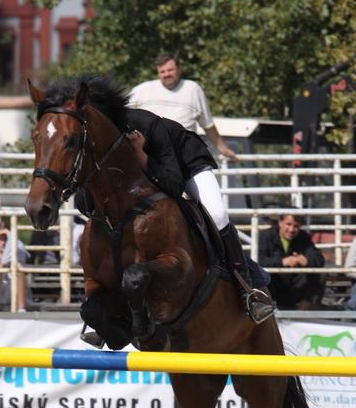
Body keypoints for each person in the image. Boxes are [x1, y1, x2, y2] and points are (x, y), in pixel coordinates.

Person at [49, 74, 275, 323]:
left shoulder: (148, 125)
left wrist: (142, 156)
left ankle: (247, 287)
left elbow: (174, 185)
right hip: (154, 174)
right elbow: (85, 205)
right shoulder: (96, 143)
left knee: (217, 214)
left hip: (185, 164)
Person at [129, 52, 237, 160]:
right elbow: (125, 115)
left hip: (185, 153)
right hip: (152, 153)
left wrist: (223, 148)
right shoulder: (142, 90)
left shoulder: (193, 89)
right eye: (162, 71)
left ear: (179, 69)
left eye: (170, 70)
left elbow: (207, 124)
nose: (166, 74)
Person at [258, 214, 326, 310]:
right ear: (280, 222)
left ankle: (300, 313)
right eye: (288, 224)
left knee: (319, 275)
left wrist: (305, 260)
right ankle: (267, 311)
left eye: (296, 226)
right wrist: (282, 262)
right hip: (274, 283)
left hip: (295, 284)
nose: (291, 229)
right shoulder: (265, 236)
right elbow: (259, 261)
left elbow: (319, 259)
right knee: (262, 277)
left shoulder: (303, 237)